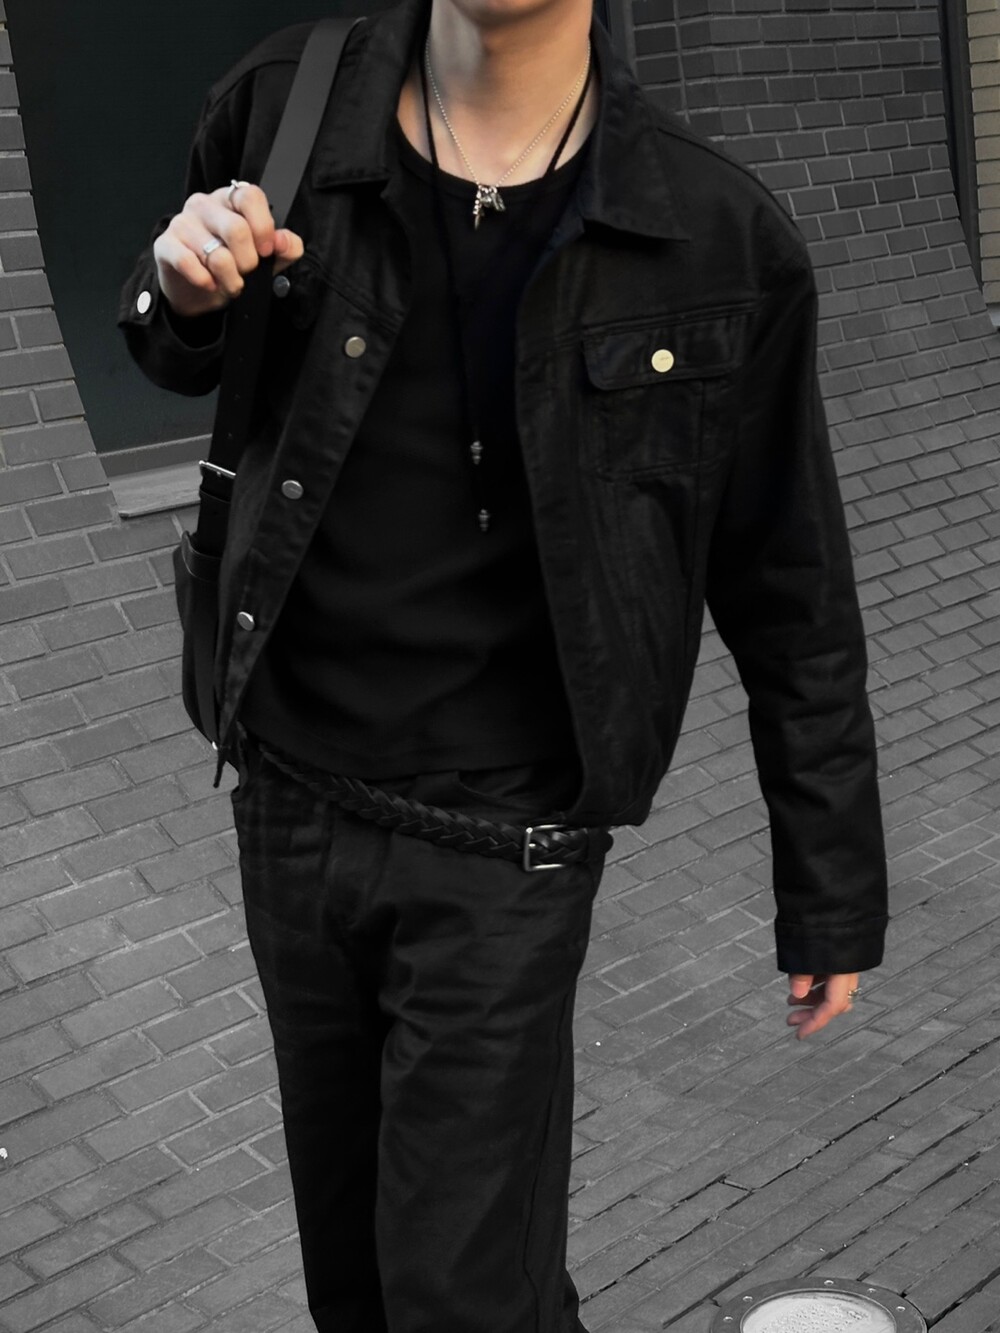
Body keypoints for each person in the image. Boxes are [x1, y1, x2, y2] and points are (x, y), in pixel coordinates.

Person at [118, 0, 889, 1328]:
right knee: (355, 1282)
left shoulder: (715, 237)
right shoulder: (282, 109)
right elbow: (181, 348)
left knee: (463, 1294)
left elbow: (791, 587)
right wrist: (176, 293)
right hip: (292, 809)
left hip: (506, 849)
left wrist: (829, 888)